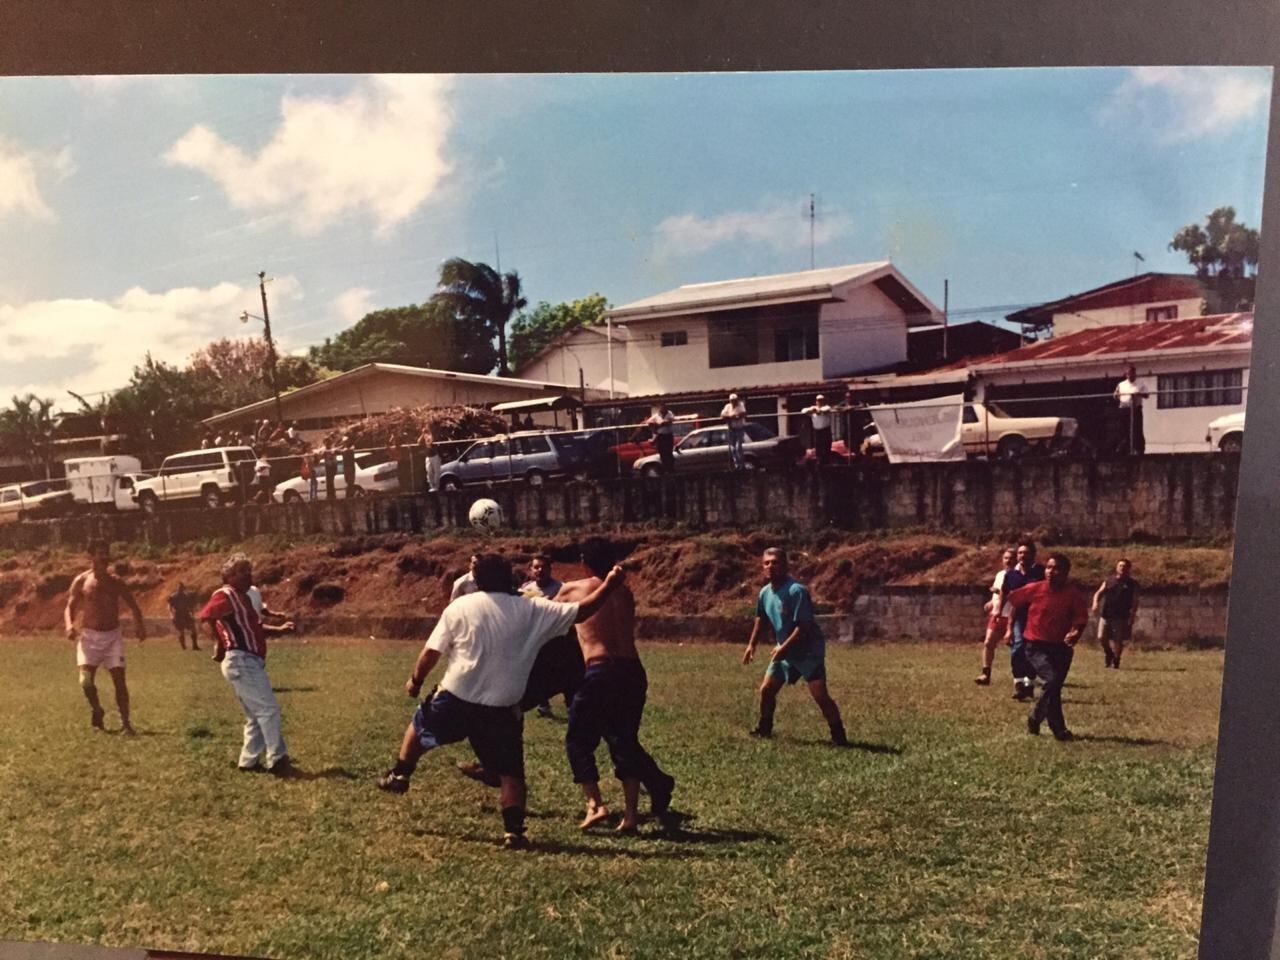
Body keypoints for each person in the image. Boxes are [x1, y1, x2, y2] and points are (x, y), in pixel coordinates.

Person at [375, 553, 628, 849]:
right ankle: (514, 832)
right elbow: (582, 611)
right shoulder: (532, 608)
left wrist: (416, 681)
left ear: (477, 580)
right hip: (502, 706)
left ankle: (400, 774)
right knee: (511, 772)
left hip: (457, 695)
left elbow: (431, 652)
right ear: (509, 577)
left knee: (421, 725)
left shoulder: (460, 606)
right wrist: (609, 585)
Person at [558, 537, 676, 832]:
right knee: (625, 740)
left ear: (583, 562)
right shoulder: (624, 592)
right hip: (632, 670)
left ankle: (595, 805)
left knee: (578, 740)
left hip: (600, 670)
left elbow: (544, 614)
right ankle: (631, 816)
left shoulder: (573, 590)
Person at [199, 553, 296, 774]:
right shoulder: (226, 594)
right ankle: (277, 759)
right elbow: (206, 618)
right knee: (268, 710)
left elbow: (255, 628)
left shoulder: (243, 599)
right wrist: (220, 642)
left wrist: (279, 630)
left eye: (248, 570)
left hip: (247, 659)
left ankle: (248, 761)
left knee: (255, 715)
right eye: (241, 571)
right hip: (241, 659)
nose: (247, 575)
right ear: (228, 576)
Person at [742, 547, 847, 746]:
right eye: (766, 563)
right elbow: (760, 618)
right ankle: (764, 729)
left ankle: (839, 737)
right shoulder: (765, 593)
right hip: (785, 652)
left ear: (785, 565)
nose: (770, 566)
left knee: (820, 695)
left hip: (808, 652)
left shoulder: (796, 591)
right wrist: (751, 645)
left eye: (775, 562)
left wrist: (783, 648)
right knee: (767, 690)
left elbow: (804, 627)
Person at [64, 540, 146, 734]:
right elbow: (69, 607)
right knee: (85, 682)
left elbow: (133, 605)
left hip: (112, 637)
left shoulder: (115, 581)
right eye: (99, 553)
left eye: (105, 553)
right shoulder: (82, 580)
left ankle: (126, 723)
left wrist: (139, 626)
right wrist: (69, 625)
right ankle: (97, 709)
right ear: (91, 556)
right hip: (89, 638)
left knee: (119, 680)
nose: (104, 557)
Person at [1007, 553, 1090, 741]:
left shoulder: (1072, 595)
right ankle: (1037, 718)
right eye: (1049, 567)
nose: (1051, 572)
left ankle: (1057, 729)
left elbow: (1080, 619)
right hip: (1036, 646)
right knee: (1052, 681)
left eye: (1057, 569)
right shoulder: (1035, 588)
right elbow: (1013, 600)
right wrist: (1004, 620)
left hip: (1061, 647)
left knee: (1054, 688)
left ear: (1066, 573)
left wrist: (1076, 632)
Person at [521, 555, 565, 718]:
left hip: (555, 637)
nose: (540, 570)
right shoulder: (525, 589)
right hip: (533, 637)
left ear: (550, 569)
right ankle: (543, 704)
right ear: (531, 570)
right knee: (536, 670)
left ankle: (570, 701)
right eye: (536, 567)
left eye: (543, 567)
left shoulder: (561, 588)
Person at [1001, 541, 1045, 701]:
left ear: (1033, 555)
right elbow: (1006, 594)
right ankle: (1019, 683)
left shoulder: (1040, 572)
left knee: (1033, 651)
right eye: (1020, 553)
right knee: (1018, 647)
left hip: (1037, 617)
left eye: (1026, 553)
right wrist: (1000, 612)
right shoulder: (1011, 575)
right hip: (1018, 616)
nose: (1022, 556)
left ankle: (1029, 684)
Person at [975, 547, 1016, 685]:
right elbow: (997, 595)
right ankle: (985, 674)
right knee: (988, 643)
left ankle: (1023, 677)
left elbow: (1014, 594)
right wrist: (991, 602)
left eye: (1011, 558)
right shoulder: (1000, 575)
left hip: (1011, 615)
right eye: (1006, 558)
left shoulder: (1018, 576)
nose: (1008, 561)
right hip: (997, 615)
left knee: (1016, 648)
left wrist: (999, 592)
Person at [1092, 558, 1140, 669]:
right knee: (1101, 637)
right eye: (1120, 566)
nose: (1122, 568)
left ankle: (1116, 660)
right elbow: (1099, 593)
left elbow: (1135, 601)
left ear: (1129, 569)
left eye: (1125, 566)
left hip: (1121, 616)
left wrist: (1132, 615)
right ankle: (1109, 653)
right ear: (1116, 567)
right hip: (1106, 614)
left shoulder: (1132, 584)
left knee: (1118, 640)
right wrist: (1095, 603)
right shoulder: (1109, 580)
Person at [1114, 364, 1149, 456]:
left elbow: (1147, 395)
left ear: (1135, 373)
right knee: (1123, 429)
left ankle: (1139, 449)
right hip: (1124, 408)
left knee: (1137, 429)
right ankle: (1124, 449)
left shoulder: (1140, 383)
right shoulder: (1121, 384)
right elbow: (1115, 395)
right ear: (1126, 374)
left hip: (1135, 408)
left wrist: (1139, 394)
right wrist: (1116, 395)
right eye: (1128, 374)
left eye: (1132, 373)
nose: (1130, 375)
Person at [802, 394, 835, 465]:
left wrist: (818, 410)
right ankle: (819, 463)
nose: (820, 402)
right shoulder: (813, 409)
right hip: (817, 432)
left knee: (826, 447)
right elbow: (803, 411)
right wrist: (811, 409)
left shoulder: (827, 407)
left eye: (821, 400)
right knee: (818, 448)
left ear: (824, 401)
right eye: (818, 400)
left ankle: (827, 463)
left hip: (825, 431)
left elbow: (825, 409)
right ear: (816, 401)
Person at [167, 581, 199, 651]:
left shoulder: (186, 596)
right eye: (179, 588)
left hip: (186, 614)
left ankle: (195, 645)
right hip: (178, 614)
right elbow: (169, 606)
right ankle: (184, 646)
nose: (180, 589)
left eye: (181, 588)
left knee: (193, 629)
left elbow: (190, 606)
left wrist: (192, 614)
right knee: (181, 631)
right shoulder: (173, 596)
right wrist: (172, 615)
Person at [720, 392, 748, 470]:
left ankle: (742, 465)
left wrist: (733, 417)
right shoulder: (727, 406)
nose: (734, 402)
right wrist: (731, 416)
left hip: (739, 429)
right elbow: (722, 415)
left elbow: (743, 414)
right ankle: (737, 465)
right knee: (732, 448)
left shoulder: (740, 405)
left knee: (738, 447)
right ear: (730, 401)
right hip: (731, 429)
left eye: (735, 400)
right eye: (732, 401)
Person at [646, 403, 676, 473]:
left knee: (669, 452)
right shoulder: (656, 416)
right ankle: (665, 468)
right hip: (660, 436)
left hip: (668, 436)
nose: (662, 409)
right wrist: (655, 425)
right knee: (662, 452)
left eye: (664, 407)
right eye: (661, 408)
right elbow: (648, 422)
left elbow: (668, 422)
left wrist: (659, 424)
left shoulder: (669, 413)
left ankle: (671, 468)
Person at [418, 426, 443, 492]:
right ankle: (431, 487)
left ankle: (436, 487)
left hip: (435, 456)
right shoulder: (424, 437)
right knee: (429, 472)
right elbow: (418, 442)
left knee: (436, 472)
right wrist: (422, 434)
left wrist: (429, 433)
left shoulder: (432, 435)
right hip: (428, 457)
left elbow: (431, 441)